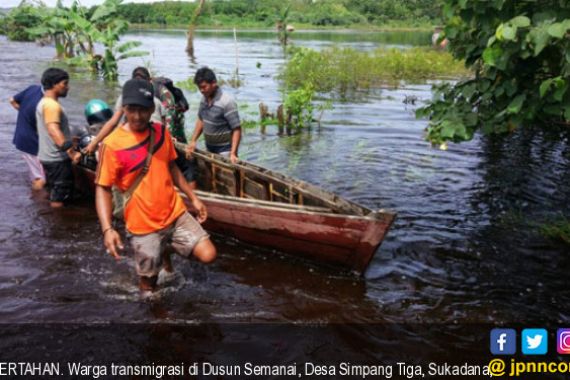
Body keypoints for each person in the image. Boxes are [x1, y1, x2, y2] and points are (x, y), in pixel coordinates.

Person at [94, 79, 216, 292]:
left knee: (208, 254)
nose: (137, 116)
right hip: (143, 225)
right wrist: (107, 229)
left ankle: (166, 248)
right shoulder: (112, 145)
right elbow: (102, 187)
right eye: (131, 110)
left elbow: (172, 167)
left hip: (174, 212)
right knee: (149, 286)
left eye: (143, 110)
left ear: (152, 109)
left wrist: (193, 199)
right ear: (124, 108)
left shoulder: (160, 133)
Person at [36, 68, 81, 208]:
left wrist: (70, 139)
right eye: (65, 83)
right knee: (60, 196)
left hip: (47, 156)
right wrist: (72, 152)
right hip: (57, 159)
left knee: (54, 191)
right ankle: (57, 226)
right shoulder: (52, 106)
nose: (67, 87)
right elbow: (53, 130)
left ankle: (50, 221)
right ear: (55, 84)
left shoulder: (43, 102)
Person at [186, 67, 242, 164]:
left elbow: (236, 129)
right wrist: (193, 140)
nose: (202, 90)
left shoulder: (226, 102)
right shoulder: (204, 99)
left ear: (214, 83)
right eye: (199, 88)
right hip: (209, 147)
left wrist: (233, 153)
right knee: (209, 175)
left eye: (204, 87)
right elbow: (201, 119)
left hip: (225, 150)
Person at [10, 84, 46, 190]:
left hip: (23, 139)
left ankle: (36, 201)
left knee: (36, 176)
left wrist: (23, 113)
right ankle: (39, 203)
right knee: (42, 179)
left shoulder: (33, 88)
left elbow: (12, 100)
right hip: (32, 143)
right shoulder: (43, 103)